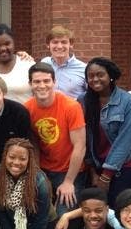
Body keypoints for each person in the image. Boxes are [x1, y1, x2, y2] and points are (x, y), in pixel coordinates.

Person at [24, 62, 86, 216]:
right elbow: (33, 144)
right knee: (35, 213)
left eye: (46, 81)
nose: (42, 86)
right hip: (43, 169)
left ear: (54, 82)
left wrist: (69, 182)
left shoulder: (71, 106)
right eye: (37, 82)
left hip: (70, 171)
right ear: (30, 84)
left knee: (63, 216)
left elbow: (80, 146)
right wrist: (36, 173)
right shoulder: (27, 109)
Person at [81, 57, 131, 208]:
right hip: (97, 165)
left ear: (110, 76)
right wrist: (93, 172)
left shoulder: (127, 101)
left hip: (126, 164)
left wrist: (106, 176)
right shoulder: (83, 101)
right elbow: (84, 140)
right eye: (91, 76)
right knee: (96, 211)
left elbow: (125, 141)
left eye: (100, 75)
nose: (95, 79)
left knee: (119, 209)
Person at [0, 24, 32, 104]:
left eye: (7, 44)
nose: (3, 48)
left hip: (25, 111)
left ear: (14, 43)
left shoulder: (27, 64)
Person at [39, 25, 87, 100]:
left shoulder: (83, 69)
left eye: (64, 42)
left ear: (71, 45)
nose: (59, 46)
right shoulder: (43, 63)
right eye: (55, 42)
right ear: (48, 45)